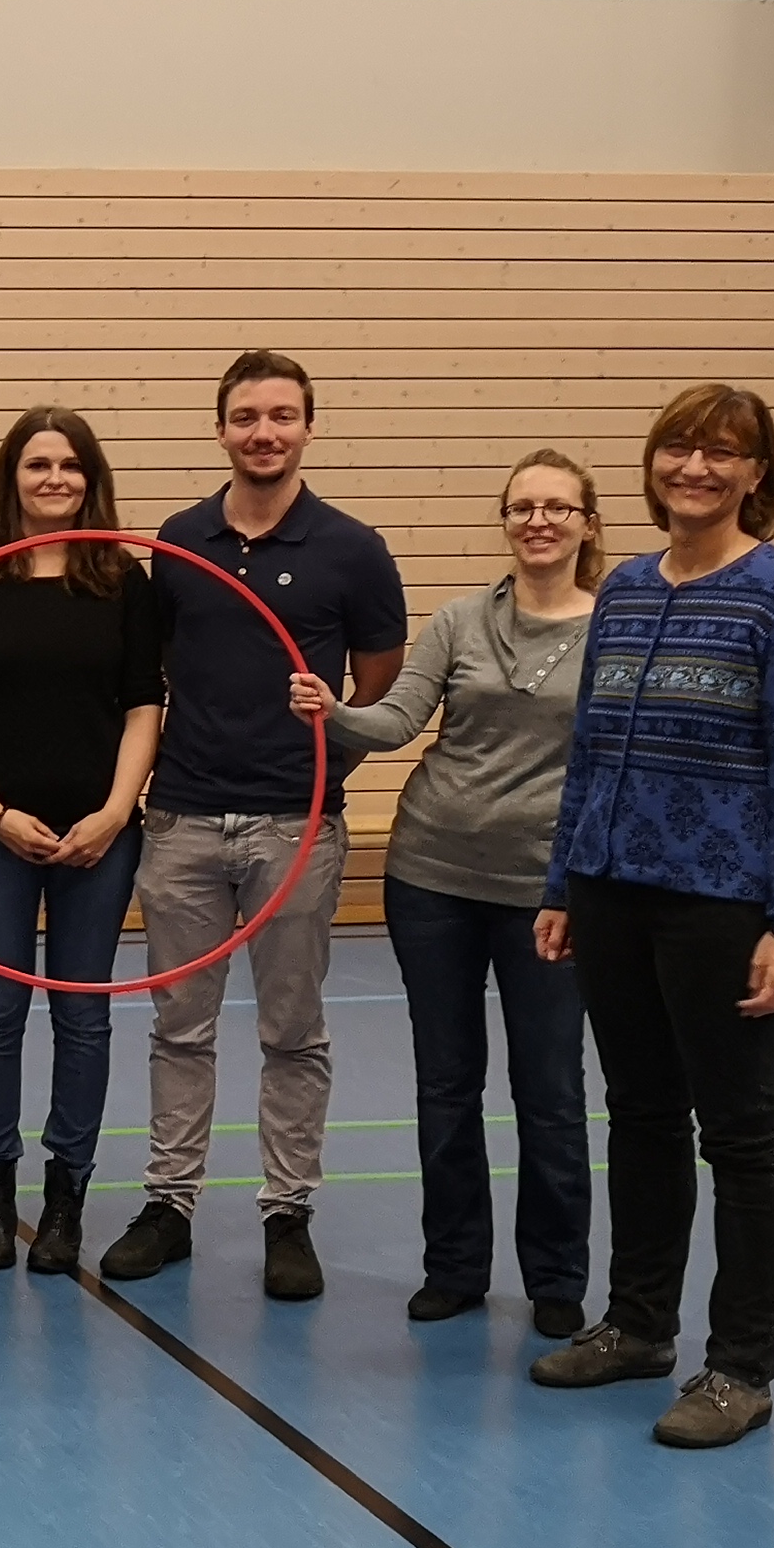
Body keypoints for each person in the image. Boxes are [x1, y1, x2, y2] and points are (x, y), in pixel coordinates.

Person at [527, 386, 774, 1452]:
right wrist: (568, 882)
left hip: (723, 902)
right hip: (615, 892)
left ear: (758, 473)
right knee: (643, 1115)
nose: (695, 466)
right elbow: (593, 747)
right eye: (678, 447)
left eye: (723, 452)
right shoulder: (620, 587)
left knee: (743, 1136)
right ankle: (639, 1325)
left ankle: (740, 1369)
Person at [99, 350, 405, 1301]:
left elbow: (382, 676)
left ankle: (287, 1213)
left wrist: (329, 751)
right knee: (179, 1027)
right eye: (246, 417)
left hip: (294, 829)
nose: (264, 432)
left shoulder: (351, 548)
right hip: (183, 821)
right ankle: (170, 1203)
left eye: (282, 416)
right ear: (221, 428)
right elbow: (151, 673)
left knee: (292, 1031)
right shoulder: (182, 541)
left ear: (309, 426)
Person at [292, 450, 603, 1340]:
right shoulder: (463, 620)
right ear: (506, 522)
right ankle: (455, 1268)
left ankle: (555, 1279)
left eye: (557, 508)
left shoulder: (619, 625)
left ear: (587, 523)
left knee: (549, 1088)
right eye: (522, 508)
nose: (538, 521)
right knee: (446, 1081)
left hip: (549, 893)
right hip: (431, 878)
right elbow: (396, 721)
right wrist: (331, 709)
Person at [0, 406, 163, 1275]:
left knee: (82, 1012)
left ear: (90, 480)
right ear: (11, 479)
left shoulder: (124, 583)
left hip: (100, 836)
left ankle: (67, 1198)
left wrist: (112, 811)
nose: (53, 479)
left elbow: (144, 704)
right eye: (36, 465)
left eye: (68, 465)